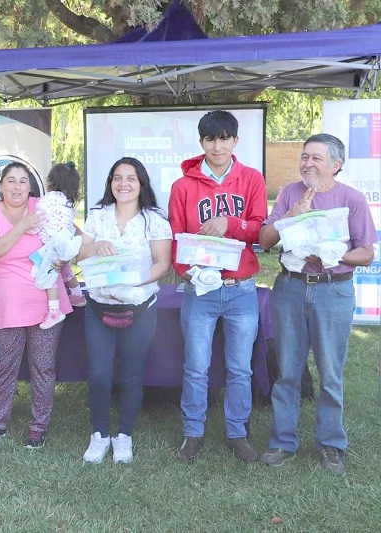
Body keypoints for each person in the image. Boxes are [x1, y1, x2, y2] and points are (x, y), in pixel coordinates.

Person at [258, 134, 377, 476]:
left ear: (336, 165)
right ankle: (282, 441)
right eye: (304, 156)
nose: (307, 163)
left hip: (332, 291)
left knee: (330, 373)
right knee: (287, 371)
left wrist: (335, 254)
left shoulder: (351, 199)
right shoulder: (288, 194)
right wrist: (290, 217)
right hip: (291, 289)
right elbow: (265, 241)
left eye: (316, 158)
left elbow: (366, 252)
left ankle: (331, 445)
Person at [168, 110, 268, 462]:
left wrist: (231, 224)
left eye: (225, 138)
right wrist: (185, 271)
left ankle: (237, 433)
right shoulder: (183, 186)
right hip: (201, 288)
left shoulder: (252, 179)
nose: (218, 145)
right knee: (196, 365)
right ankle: (192, 433)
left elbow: (260, 228)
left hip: (241, 289)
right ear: (202, 142)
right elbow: (176, 237)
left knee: (240, 367)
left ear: (235, 141)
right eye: (211, 138)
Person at [77, 158, 172, 463]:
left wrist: (134, 281)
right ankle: (99, 435)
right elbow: (79, 255)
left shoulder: (155, 219)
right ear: (110, 183)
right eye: (117, 178)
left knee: (132, 375)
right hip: (99, 306)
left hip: (139, 306)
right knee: (99, 375)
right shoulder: (97, 216)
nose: (124, 184)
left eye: (131, 178)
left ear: (141, 183)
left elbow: (162, 264)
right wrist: (95, 246)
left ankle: (124, 436)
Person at [0, 162, 72, 448]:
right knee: (6, 365)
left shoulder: (45, 206)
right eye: (11, 181)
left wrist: (64, 257)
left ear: (31, 186)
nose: (17, 187)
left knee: (43, 366)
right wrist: (22, 226)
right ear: (1, 186)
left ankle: (38, 427)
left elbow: (70, 235)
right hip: (10, 303)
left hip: (47, 302)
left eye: (23, 181)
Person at [33, 163, 86, 330]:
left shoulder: (47, 199)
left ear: (51, 181)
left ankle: (54, 311)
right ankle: (78, 295)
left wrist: (30, 229)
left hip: (52, 245)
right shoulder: (68, 203)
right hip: (66, 243)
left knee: (49, 277)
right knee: (66, 270)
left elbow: (39, 218)